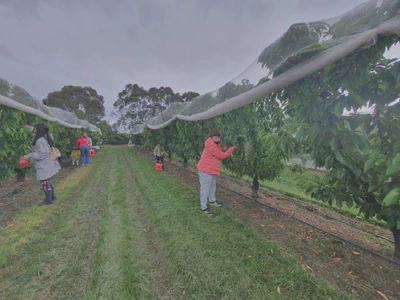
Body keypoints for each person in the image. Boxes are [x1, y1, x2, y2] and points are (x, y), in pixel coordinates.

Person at [197, 130, 236, 215]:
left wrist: (224, 149)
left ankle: (212, 201)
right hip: (205, 170)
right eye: (215, 137)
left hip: (210, 170)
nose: (217, 139)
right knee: (205, 189)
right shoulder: (211, 146)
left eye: (218, 137)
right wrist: (231, 149)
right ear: (212, 138)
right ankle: (204, 208)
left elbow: (219, 151)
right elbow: (222, 156)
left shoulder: (214, 143)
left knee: (212, 186)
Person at [21, 123, 61, 206]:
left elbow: (42, 154)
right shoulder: (46, 136)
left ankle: (48, 201)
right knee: (48, 181)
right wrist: (28, 127)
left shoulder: (40, 140)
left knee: (45, 182)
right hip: (48, 163)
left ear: (39, 129)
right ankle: (52, 197)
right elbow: (33, 132)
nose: (34, 129)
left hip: (44, 164)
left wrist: (29, 155)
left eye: (36, 127)